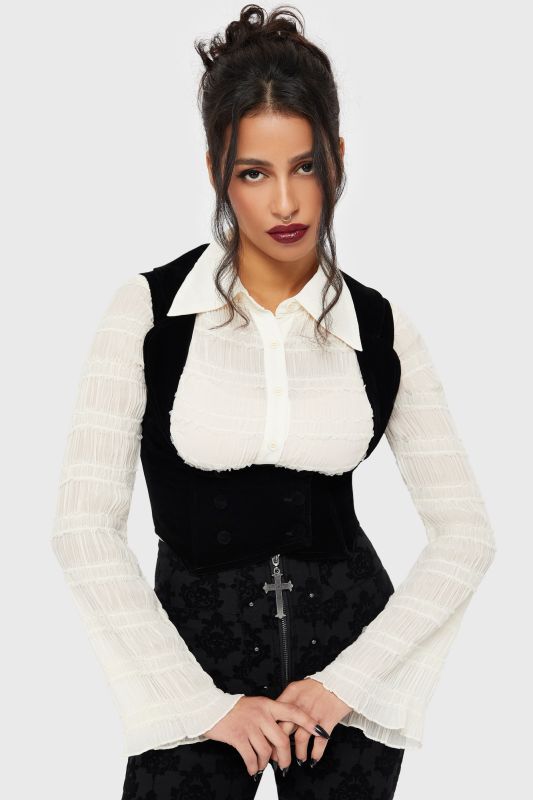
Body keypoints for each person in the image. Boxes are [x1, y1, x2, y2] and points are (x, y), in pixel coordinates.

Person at [50, 5, 497, 799]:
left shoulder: (381, 327)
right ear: (216, 171)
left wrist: (344, 684)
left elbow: (465, 535)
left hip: (346, 681)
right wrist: (201, 705)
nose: (285, 202)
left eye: (305, 167)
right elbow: (82, 529)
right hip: (190, 678)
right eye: (253, 173)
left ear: (337, 159)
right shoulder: (147, 314)